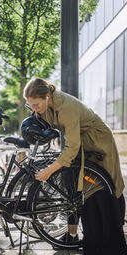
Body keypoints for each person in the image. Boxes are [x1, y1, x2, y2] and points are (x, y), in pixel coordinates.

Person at [23, 77, 126, 244]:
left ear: (47, 96)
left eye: (36, 105)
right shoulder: (45, 106)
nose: (34, 110)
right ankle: (71, 235)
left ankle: (115, 230)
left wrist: (48, 171)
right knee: (72, 187)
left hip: (98, 140)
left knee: (110, 185)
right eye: (30, 105)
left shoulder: (66, 107)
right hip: (79, 141)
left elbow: (71, 148)